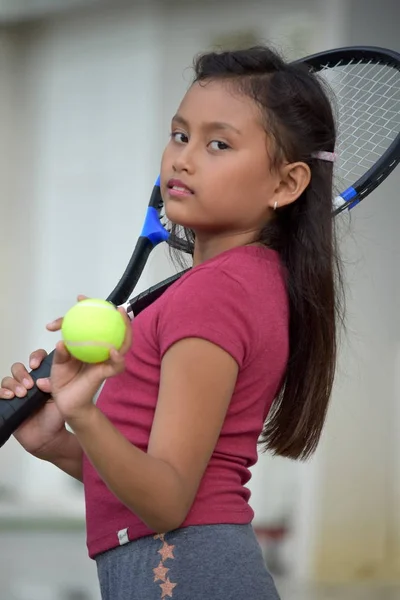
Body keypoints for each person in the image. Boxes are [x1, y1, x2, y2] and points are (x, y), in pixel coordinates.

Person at [0, 46, 343, 599]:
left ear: (286, 184)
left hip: (184, 574)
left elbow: (166, 501)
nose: (183, 159)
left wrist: (82, 412)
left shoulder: (215, 294)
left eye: (219, 144)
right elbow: (149, 478)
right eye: (180, 135)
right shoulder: (248, 282)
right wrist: (57, 442)